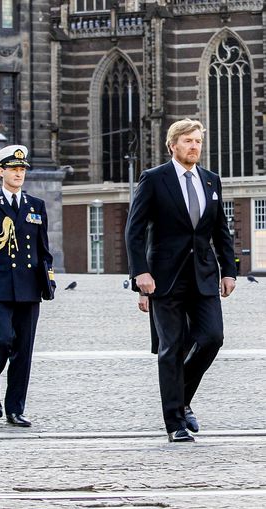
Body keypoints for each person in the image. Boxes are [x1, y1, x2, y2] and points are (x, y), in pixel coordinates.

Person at [125, 118, 236, 442]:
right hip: (165, 278)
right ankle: (175, 423)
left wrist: (228, 270)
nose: (194, 147)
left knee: (212, 337)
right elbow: (134, 230)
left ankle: (181, 396)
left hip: (203, 275)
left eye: (198, 141)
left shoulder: (211, 181)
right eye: (188, 141)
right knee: (172, 347)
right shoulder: (154, 179)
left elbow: (220, 230)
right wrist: (140, 273)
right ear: (173, 145)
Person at [0, 144, 55, 427]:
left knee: (23, 351)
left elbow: (43, 249)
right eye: (13, 169)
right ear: (1, 171)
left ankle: (15, 408)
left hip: (28, 288)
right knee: (1, 340)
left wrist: (48, 281)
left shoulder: (35, 206)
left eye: (22, 170)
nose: (19, 174)